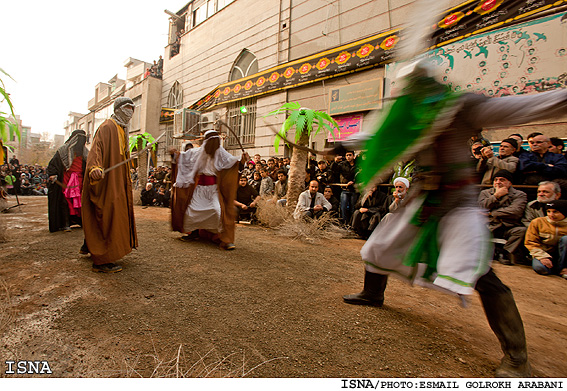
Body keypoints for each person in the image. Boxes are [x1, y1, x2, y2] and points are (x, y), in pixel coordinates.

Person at [335, 59, 567, 377]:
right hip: (422, 202)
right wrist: (342, 144)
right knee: (378, 247)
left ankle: (516, 358)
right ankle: (373, 293)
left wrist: (561, 98)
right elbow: (380, 137)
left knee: (481, 273)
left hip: (458, 207)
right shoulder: (407, 117)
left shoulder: (462, 106)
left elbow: (523, 107)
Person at [82, 97, 138, 273]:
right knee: (107, 213)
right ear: (119, 108)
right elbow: (96, 148)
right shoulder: (108, 127)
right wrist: (95, 168)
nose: (131, 111)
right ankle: (101, 259)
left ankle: (91, 245)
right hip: (107, 182)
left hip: (119, 180)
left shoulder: (122, 129)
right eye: (128, 107)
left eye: (133, 108)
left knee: (115, 214)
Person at [172, 130, 246, 250]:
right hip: (199, 190)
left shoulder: (222, 153)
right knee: (190, 211)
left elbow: (233, 163)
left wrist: (241, 161)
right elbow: (184, 157)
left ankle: (219, 237)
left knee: (217, 211)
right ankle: (193, 233)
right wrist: (175, 155)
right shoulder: (197, 152)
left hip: (213, 190)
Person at [478, 170, 527, 265]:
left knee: (521, 231)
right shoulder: (485, 193)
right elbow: (481, 207)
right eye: (495, 180)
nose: (498, 182)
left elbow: (515, 211)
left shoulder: (519, 194)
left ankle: (504, 253)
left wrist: (491, 213)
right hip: (489, 225)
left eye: (502, 180)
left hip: (508, 226)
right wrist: (496, 196)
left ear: (510, 183)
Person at [47, 129, 88, 232]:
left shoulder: (85, 152)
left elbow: (90, 164)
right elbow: (53, 164)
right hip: (66, 179)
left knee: (81, 201)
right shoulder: (63, 150)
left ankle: (81, 221)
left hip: (80, 180)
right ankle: (66, 224)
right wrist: (53, 174)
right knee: (65, 201)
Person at [525, 199, 567, 279]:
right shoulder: (537, 222)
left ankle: (563, 269)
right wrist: (542, 257)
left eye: (555, 212)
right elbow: (530, 242)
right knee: (541, 269)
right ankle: (555, 270)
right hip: (544, 253)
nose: (551, 215)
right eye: (548, 211)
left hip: (563, 256)